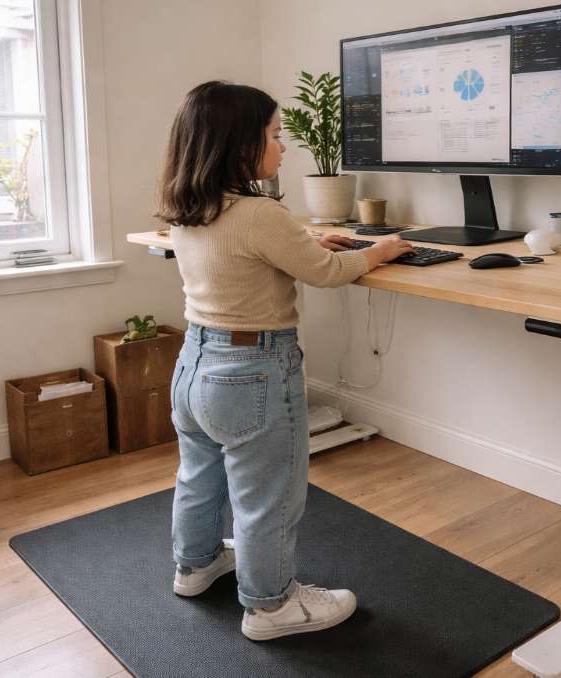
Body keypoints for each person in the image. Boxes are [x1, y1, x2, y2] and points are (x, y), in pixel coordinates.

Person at [156, 81, 414, 641]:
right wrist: (381, 249)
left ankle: (195, 566)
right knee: (267, 495)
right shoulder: (261, 213)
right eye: (275, 135)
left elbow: (245, 252)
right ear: (239, 144)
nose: (284, 147)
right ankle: (271, 606)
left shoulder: (188, 207)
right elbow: (324, 274)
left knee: (199, 478)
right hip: (253, 372)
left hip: (195, 363)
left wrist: (308, 238)